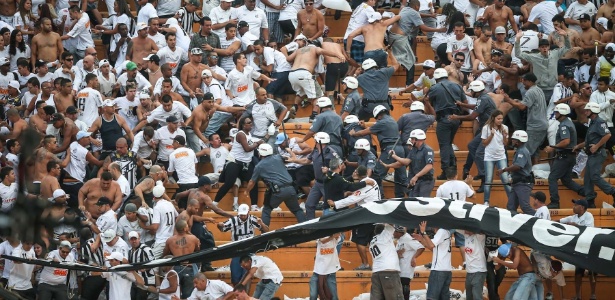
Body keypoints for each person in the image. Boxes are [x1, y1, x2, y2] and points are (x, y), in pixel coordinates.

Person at [329, 166, 380, 270]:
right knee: (373, 242)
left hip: (366, 216)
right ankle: (378, 265)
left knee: (360, 241)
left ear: (357, 174)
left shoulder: (365, 185)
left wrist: (335, 204)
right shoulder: (372, 181)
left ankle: (365, 264)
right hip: (375, 215)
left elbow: (352, 200)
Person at [350, 105, 406, 197]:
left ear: (378, 115)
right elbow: (378, 131)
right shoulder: (392, 120)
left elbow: (366, 132)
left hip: (389, 150)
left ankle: (379, 197)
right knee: (401, 178)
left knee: (377, 175)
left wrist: (354, 134)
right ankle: (405, 197)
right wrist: (365, 126)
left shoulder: (382, 122)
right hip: (400, 149)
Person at [213, 117, 264, 210]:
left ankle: (254, 206)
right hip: (234, 161)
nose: (251, 124)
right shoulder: (240, 134)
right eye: (249, 123)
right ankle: (214, 204)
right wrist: (258, 143)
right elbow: (247, 149)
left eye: (251, 122)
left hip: (246, 163)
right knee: (229, 182)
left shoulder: (249, 134)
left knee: (253, 181)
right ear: (243, 125)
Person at [248, 143, 305, 225]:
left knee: (267, 210)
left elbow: (252, 182)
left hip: (277, 192)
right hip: (290, 189)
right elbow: (293, 159)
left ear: (260, 153)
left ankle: (264, 234)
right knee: (297, 210)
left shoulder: (259, 166)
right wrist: (290, 151)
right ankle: (306, 229)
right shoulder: (279, 157)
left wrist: (247, 191)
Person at [573, 102, 615, 207]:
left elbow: (607, 135)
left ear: (593, 111)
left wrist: (596, 146)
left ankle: (613, 192)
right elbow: (588, 141)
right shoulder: (592, 122)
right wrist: (578, 146)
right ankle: (590, 200)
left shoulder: (599, 122)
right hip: (592, 155)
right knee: (587, 178)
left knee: (594, 176)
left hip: (598, 153)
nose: (585, 112)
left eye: (587, 110)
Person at [544, 104, 585, 208]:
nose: (555, 114)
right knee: (566, 180)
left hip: (564, 156)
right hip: (569, 157)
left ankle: (555, 202)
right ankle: (587, 194)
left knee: (552, 178)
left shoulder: (564, 125)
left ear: (562, 113)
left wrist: (552, 147)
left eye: (557, 112)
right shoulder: (568, 123)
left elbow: (566, 141)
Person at [217, 204, 269, 285]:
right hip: (237, 251)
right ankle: (238, 294)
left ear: (248, 212)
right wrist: (219, 225)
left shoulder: (253, 219)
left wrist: (261, 223)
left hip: (249, 251)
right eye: (241, 215)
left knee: (247, 274)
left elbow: (266, 230)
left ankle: (244, 295)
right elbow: (222, 228)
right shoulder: (233, 220)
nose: (243, 217)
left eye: (244, 215)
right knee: (235, 275)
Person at [428, 68, 465, 178]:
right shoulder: (457, 86)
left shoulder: (434, 88)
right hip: (455, 118)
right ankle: (452, 167)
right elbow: (465, 103)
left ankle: (446, 171)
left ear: (436, 78)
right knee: (448, 144)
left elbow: (429, 103)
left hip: (443, 118)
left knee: (444, 145)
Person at [515, 29, 570, 104]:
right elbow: (518, 54)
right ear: (539, 48)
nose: (545, 48)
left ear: (549, 47)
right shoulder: (534, 57)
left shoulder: (555, 54)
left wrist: (566, 37)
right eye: (542, 47)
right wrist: (517, 40)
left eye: (546, 46)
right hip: (540, 89)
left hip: (553, 88)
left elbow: (567, 48)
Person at [502, 73, 548, 161]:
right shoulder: (539, 89)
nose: (523, 84)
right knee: (535, 151)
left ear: (530, 81)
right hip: (542, 125)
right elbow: (526, 103)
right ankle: (534, 172)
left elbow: (522, 107)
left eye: (525, 81)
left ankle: (523, 173)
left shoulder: (530, 91)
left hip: (535, 126)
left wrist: (508, 100)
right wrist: (514, 101)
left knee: (526, 152)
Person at [560, 199, 596, 300]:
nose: (573, 207)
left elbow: (590, 230)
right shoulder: (573, 217)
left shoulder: (589, 216)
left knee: (592, 272)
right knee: (578, 272)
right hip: (580, 249)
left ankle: (593, 295)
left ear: (582, 207)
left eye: (575, 205)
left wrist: (576, 226)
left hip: (590, 248)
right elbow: (561, 220)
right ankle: (577, 296)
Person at [383, 129, 434, 197]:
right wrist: (394, 156)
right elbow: (406, 161)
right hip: (415, 181)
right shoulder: (414, 150)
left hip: (425, 181)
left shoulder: (427, 150)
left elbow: (429, 166)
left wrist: (416, 176)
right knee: (413, 200)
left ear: (418, 139)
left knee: (422, 202)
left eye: (413, 139)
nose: (411, 141)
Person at [412, 221, 452, 300]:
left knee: (432, 297)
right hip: (446, 271)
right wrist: (421, 240)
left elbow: (431, 245)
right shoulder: (447, 232)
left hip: (438, 270)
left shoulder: (441, 231)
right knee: (443, 297)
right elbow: (433, 249)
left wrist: (424, 233)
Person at [162, 220, 200, 298]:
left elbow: (165, 254)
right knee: (188, 295)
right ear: (184, 228)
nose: (188, 227)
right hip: (188, 267)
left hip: (176, 268)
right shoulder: (193, 238)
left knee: (176, 294)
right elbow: (197, 251)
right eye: (186, 226)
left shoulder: (170, 240)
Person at [481, 110, 512, 205]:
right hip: (489, 157)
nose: (500, 120)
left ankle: (511, 200)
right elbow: (484, 143)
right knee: (488, 179)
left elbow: (505, 144)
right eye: (498, 119)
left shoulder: (505, 128)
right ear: (493, 118)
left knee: (505, 179)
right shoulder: (486, 128)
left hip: (501, 156)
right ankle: (486, 201)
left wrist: (504, 136)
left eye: (501, 119)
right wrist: (491, 135)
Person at [356, 54, 398, 121]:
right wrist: (390, 52)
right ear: (375, 66)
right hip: (384, 106)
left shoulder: (361, 78)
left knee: (355, 118)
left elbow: (349, 85)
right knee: (388, 122)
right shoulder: (384, 72)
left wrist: (356, 74)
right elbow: (396, 65)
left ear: (363, 69)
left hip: (369, 107)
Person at [368, 223, 403, 299]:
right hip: (389, 272)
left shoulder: (372, 242)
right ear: (384, 231)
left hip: (376, 272)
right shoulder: (384, 236)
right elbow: (391, 223)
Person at [393, 226, 424, 300]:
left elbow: (421, 248)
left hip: (406, 269)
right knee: (400, 292)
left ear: (399, 233)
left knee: (404, 290)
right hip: (399, 269)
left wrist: (414, 258)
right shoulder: (400, 240)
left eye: (394, 232)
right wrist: (398, 253)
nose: (393, 234)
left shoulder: (408, 239)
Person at [309, 233, 341, 300]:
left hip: (330, 272)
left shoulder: (336, 237)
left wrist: (333, 235)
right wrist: (332, 236)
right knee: (313, 296)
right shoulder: (320, 234)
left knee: (334, 297)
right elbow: (322, 240)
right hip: (317, 272)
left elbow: (338, 235)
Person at [127, 231, 156, 299]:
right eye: (132, 239)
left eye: (135, 239)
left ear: (139, 239)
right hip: (136, 280)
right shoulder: (130, 251)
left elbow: (154, 262)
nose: (134, 241)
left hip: (146, 280)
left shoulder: (145, 249)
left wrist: (146, 268)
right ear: (129, 240)